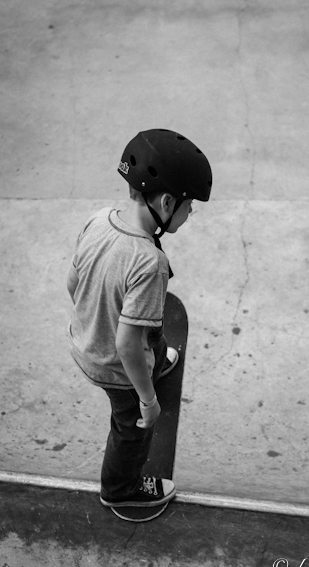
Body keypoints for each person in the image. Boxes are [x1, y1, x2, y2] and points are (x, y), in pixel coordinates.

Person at [66, 129, 212, 519]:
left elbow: (73, 283)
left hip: (83, 341)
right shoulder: (149, 262)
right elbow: (129, 345)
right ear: (166, 202)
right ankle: (120, 489)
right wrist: (148, 400)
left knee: (151, 322)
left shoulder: (98, 220)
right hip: (114, 367)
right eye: (189, 204)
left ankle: (158, 362)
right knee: (132, 427)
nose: (190, 212)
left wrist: (95, 317)